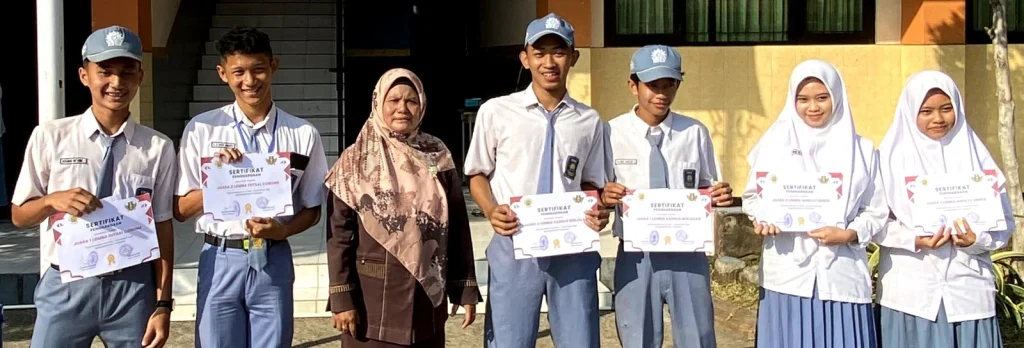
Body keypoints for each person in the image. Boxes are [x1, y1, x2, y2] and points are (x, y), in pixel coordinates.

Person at [10, 25, 175, 348]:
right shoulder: (50, 137)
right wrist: (51, 201)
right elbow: (19, 215)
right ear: (84, 75)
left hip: (132, 288)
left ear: (140, 76)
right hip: (67, 285)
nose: (116, 83)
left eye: (127, 72)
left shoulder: (157, 147)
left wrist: (163, 303)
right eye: (105, 71)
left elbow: (162, 226)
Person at [173, 26, 329, 347]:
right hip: (220, 256)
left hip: (273, 257)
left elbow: (313, 208)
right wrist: (218, 181)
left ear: (273, 66)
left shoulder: (302, 134)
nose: (249, 81)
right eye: (238, 72)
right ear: (222, 73)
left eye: (258, 69)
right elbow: (181, 210)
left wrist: (283, 231)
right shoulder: (202, 129)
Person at [463, 12, 611, 348]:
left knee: (580, 341)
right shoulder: (496, 112)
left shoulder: (589, 120)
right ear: (525, 58)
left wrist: (597, 209)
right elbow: (477, 174)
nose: (549, 62)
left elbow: (591, 184)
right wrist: (491, 210)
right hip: (514, 243)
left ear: (573, 57)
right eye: (540, 53)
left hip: (572, 249)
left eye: (559, 52)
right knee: (509, 341)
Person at [324, 68, 481, 347]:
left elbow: (457, 225)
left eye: (411, 101)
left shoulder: (437, 154)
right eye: (393, 100)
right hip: (371, 305)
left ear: (422, 104)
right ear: (378, 102)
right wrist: (341, 298)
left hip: (426, 303)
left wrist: (464, 287)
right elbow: (339, 236)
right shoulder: (354, 161)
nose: (402, 109)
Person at [741, 59, 887, 348]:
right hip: (787, 274)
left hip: (841, 274)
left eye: (822, 98)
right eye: (803, 99)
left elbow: (876, 210)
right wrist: (763, 217)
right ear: (792, 100)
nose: (813, 107)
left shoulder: (862, 150)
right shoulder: (773, 145)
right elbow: (752, 197)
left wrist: (850, 233)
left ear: (837, 96)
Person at [601, 45, 733, 348]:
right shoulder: (611, 133)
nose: (661, 93)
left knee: (697, 336)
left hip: (687, 253)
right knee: (638, 337)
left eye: (669, 84)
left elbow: (708, 186)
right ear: (633, 85)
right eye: (653, 85)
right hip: (637, 256)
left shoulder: (694, 132)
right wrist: (605, 195)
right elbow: (599, 191)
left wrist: (718, 195)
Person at [874, 70, 1011, 348]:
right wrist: (914, 239)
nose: (938, 118)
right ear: (910, 111)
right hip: (910, 294)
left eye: (946, 109)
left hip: (968, 291)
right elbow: (874, 222)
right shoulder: (887, 161)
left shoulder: (978, 161)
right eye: (926, 111)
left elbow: (1004, 224)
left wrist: (976, 240)